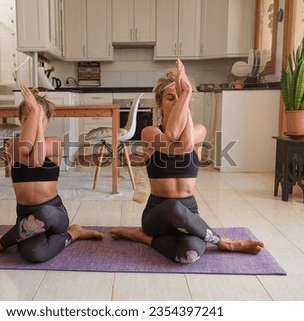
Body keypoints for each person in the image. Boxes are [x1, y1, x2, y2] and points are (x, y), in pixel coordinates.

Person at [111, 59, 264, 264]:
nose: (176, 102)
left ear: (187, 104)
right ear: (159, 103)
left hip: (189, 212)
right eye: (170, 98)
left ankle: (143, 238)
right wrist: (187, 92)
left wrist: (186, 94)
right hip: (158, 214)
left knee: (188, 255)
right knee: (173, 207)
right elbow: (175, 136)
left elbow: (185, 142)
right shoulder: (150, 133)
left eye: (180, 98)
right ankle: (224, 242)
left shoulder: (199, 131)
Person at [0, 84, 103, 263]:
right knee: (36, 255)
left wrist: (35, 115)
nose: (33, 121)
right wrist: (36, 114)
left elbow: (37, 159)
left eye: (39, 118)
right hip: (26, 218)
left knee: (45, 212)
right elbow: (28, 150)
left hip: (54, 214)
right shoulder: (13, 145)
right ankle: (73, 234)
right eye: (27, 118)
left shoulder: (54, 143)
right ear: (22, 122)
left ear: (47, 121)